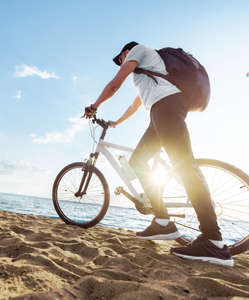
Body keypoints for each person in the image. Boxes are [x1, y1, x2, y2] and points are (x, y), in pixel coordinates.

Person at [83, 41, 234, 267]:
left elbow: (115, 84)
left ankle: (213, 240)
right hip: (160, 110)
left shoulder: (139, 51)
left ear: (127, 51)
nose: (121, 62)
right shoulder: (148, 74)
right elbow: (136, 105)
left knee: (184, 166)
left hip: (167, 107)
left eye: (121, 59)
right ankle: (163, 221)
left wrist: (94, 106)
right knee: (138, 162)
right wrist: (116, 122)